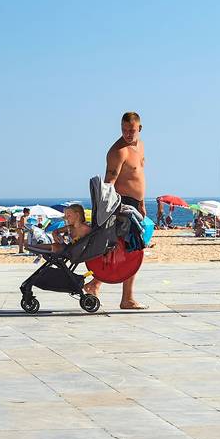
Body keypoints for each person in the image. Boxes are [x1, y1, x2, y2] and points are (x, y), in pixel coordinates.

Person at [85, 111, 148, 310]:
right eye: (124, 130)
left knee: (132, 250)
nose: (128, 134)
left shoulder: (140, 145)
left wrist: (143, 202)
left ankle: (97, 286)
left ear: (140, 128)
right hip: (122, 205)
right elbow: (109, 183)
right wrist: (108, 211)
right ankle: (123, 297)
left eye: (131, 130)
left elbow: (139, 176)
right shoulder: (119, 151)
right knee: (133, 249)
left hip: (136, 203)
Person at [27, 204, 91, 254]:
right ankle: (33, 247)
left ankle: (33, 247)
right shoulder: (70, 227)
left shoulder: (86, 229)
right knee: (55, 245)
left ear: (77, 215)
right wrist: (55, 235)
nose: (66, 218)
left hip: (77, 252)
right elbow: (56, 231)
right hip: (69, 248)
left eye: (68, 216)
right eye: (65, 216)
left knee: (55, 247)